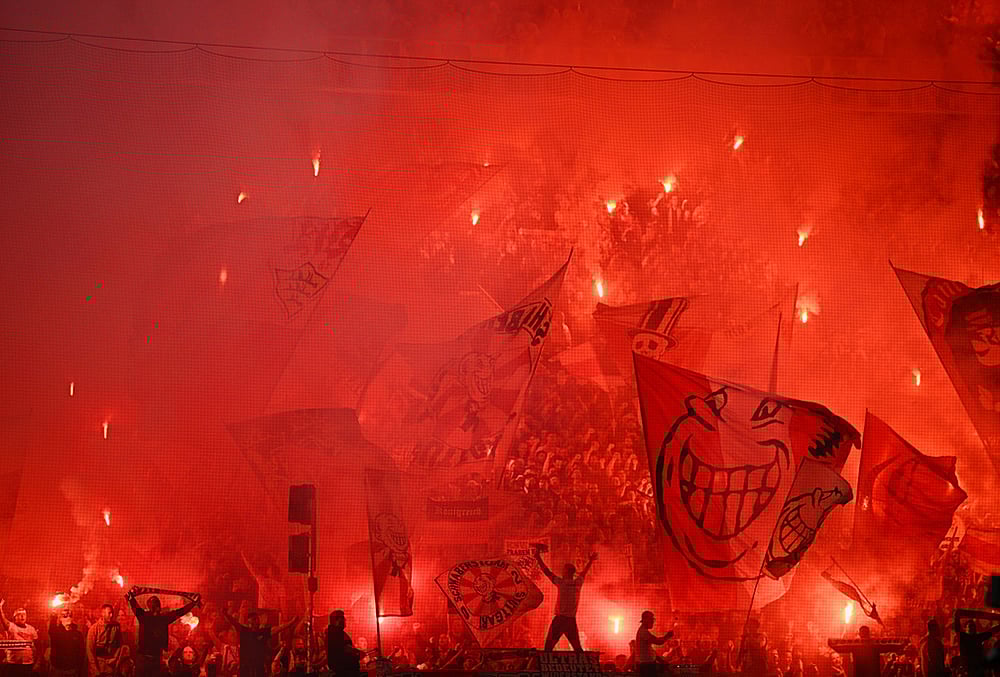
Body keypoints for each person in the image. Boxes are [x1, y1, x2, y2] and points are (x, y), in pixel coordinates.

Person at [532, 543, 597, 652]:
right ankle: (584, 667)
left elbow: (547, 572)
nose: (562, 571)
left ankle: (546, 667)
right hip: (571, 620)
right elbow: (584, 573)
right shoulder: (577, 583)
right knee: (577, 648)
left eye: (563, 569)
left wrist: (538, 557)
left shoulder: (561, 582)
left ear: (567, 572)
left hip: (560, 619)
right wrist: (590, 561)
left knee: (548, 647)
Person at [125, 588, 201, 677]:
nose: (155, 607)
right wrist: (194, 603)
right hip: (144, 659)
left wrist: (131, 596)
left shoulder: (156, 617)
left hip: (155, 660)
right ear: (150, 607)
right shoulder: (147, 616)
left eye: (156, 605)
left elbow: (180, 612)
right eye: (153, 604)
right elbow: (180, 612)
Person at [220, 604, 298, 677]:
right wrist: (225, 614)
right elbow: (234, 622)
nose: (257, 621)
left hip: (259, 670)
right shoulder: (244, 631)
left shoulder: (263, 632)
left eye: (257, 619)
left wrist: (292, 622)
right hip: (245, 669)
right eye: (254, 619)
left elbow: (278, 628)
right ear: (249, 622)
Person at [954, 611, 1000, 677]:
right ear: (966, 628)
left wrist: (957, 617)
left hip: (977, 670)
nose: (971, 628)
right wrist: (956, 617)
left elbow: (991, 632)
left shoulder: (977, 637)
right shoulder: (964, 637)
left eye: (972, 626)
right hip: (969, 669)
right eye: (970, 626)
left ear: (975, 629)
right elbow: (957, 628)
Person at [0, 599, 38, 674]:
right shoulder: (11, 626)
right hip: (13, 663)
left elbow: (36, 646)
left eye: (24, 615)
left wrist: (37, 661)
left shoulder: (31, 629)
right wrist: (0, 608)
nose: (22, 616)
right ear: (15, 617)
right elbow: (3, 620)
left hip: (28, 663)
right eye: (19, 615)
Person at [49, 607, 88, 677]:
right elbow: (51, 629)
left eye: (70, 615)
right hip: (58, 669)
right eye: (65, 616)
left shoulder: (77, 634)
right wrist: (53, 615)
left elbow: (81, 652)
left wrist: (79, 668)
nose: (68, 617)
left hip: (72, 670)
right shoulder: (56, 633)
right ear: (60, 619)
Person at [88, 604, 124, 677]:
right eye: (109, 613)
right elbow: (90, 651)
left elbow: (120, 644)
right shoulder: (94, 629)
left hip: (110, 665)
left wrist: (115, 658)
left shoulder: (116, 627)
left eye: (112, 613)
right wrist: (95, 670)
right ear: (103, 614)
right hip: (98, 664)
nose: (111, 615)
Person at [635, 611, 674, 677]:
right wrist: (667, 636)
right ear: (645, 619)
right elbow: (658, 642)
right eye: (651, 619)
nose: (653, 621)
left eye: (653, 619)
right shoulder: (643, 632)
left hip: (648, 665)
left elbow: (650, 650)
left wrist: (661, 661)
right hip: (647, 667)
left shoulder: (644, 631)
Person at [326, 611, 361, 677]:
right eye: (342, 618)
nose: (345, 620)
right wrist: (358, 652)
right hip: (345, 671)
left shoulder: (333, 632)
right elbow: (345, 647)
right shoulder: (335, 633)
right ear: (336, 620)